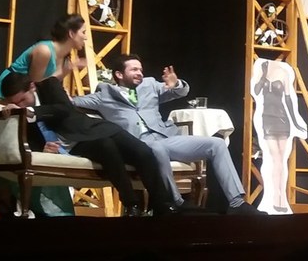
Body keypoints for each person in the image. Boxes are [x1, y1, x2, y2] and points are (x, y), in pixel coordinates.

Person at [71, 53, 265, 216]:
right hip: (139, 146)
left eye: (140, 69)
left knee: (217, 144)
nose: (139, 73)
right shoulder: (104, 95)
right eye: (134, 70)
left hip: (167, 137)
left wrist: (176, 84)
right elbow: (73, 102)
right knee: (157, 148)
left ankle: (237, 202)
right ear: (119, 74)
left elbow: (179, 92)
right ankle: (176, 202)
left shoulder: (149, 85)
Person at [0, 71, 177, 216]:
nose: (20, 106)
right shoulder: (18, 112)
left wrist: (30, 111)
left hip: (91, 128)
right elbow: (28, 138)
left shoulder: (49, 86)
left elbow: (64, 109)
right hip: (76, 145)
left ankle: (162, 204)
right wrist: (41, 147)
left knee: (143, 151)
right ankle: (132, 205)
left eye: (22, 100)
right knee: (106, 147)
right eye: (15, 103)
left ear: (32, 87)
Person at [0, 13, 88, 218]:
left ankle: (33, 202)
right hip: (16, 90)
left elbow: (49, 86)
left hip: (32, 95)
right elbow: (36, 85)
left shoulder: (64, 57)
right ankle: (6, 197)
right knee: (10, 142)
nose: (85, 37)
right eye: (83, 32)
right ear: (71, 33)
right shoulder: (44, 50)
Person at [251, 58, 308, 214]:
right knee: (274, 159)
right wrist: (263, 75)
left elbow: (288, 99)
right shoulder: (261, 69)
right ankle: (275, 196)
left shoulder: (284, 72)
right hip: (267, 119)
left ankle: (281, 197)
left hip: (282, 119)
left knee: (281, 161)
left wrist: (295, 122)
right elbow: (256, 91)